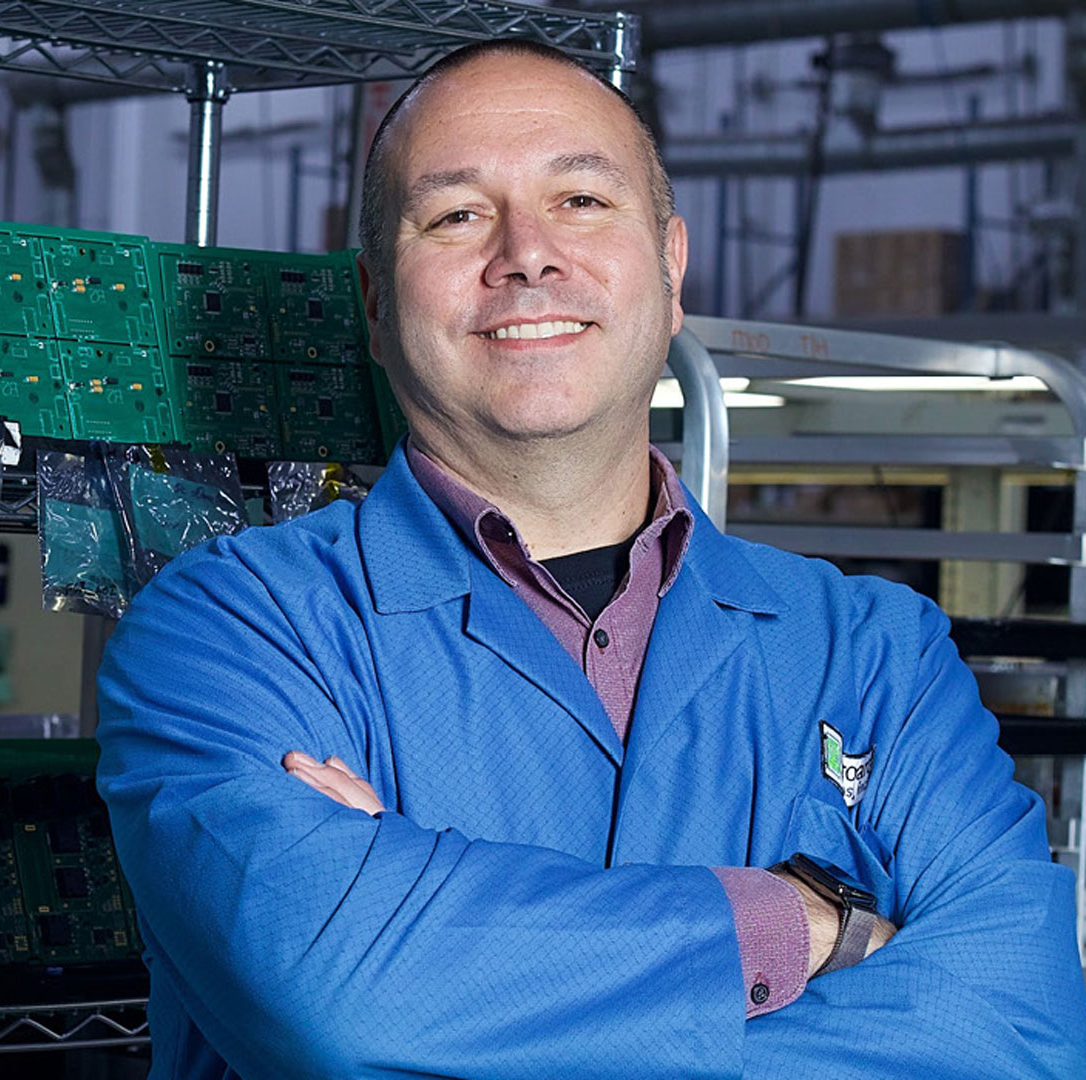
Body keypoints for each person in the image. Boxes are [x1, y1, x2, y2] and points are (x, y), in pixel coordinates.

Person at [95, 38, 1086, 1079]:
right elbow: (336, 1001)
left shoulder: (876, 652)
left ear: (671, 268)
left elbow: (1018, 1032)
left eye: (581, 200)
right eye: (457, 215)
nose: (528, 253)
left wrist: (452, 968)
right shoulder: (230, 635)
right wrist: (805, 927)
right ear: (377, 304)